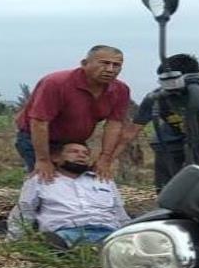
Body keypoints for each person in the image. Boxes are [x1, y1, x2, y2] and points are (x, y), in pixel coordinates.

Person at [14, 47, 132, 182]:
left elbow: (114, 125)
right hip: (37, 137)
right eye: (104, 63)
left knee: (80, 180)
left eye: (116, 65)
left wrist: (105, 159)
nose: (110, 69)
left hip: (75, 142)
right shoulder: (56, 83)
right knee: (45, 180)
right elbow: (39, 122)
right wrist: (43, 160)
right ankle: (29, 202)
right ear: (84, 63)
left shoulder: (120, 90)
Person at [121, 54, 199, 190]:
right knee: (169, 186)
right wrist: (106, 158)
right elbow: (133, 130)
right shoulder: (157, 97)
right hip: (168, 143)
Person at [7, 142, 130, 246]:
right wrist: (15, 242)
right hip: (65, 234)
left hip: (109, 234)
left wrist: (130, 233)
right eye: (74, 152)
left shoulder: (103, 180)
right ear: (56, 158)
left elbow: (120, 213)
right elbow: (24, 210)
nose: (81, 155)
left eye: (85, 153)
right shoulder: (40, 180)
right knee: (48, 242)